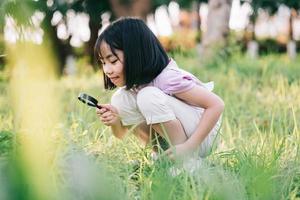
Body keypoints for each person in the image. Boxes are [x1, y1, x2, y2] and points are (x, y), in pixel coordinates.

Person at [94, 17, 224, 160]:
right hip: (183, 138)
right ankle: (163, 156)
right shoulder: (135, 87)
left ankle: (187, 162)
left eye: (112, 61)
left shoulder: (166, 78)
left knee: (147, 96)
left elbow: (216, 104)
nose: (107, 70)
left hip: (203, 137)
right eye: (103, 62)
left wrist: (189, 146)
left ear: (136, 53)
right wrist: (115, 122)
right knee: (120, 98)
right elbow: (121, 135)